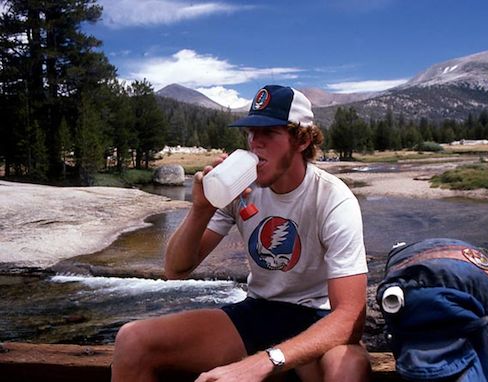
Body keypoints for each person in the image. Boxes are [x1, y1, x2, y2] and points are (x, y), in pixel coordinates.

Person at [111, 85, 370, 381]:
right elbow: (175, 270)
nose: (254, 144)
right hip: (258, 310)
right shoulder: (240, 190)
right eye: (250, 132)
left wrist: (263, 362)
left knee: (348, 366)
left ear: (302, 140)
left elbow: (350, 316)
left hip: (317, 316)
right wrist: (201, 209)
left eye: (269, 133)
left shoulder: (332, 199)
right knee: (132, 340)